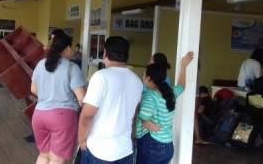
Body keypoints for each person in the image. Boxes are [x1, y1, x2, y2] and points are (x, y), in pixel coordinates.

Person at [78, 36, 143, 164]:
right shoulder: (137, 81)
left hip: (100, 150)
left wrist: (81, 139)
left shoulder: (100, 77)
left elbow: (87, 116)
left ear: (105, 53)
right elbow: (133, 116)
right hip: (125, 149)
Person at [31, 32, 86, 164]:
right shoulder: (72, 68)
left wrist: (49, 95)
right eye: (71, 47)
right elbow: (81, 98)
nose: (72, 50)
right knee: (57, 159)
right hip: (62, 117)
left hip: (39, 115)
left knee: (44, 155)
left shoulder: (41, 64)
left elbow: (33, 89)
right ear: (66, 48)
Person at [135, 52, 194, 164]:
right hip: (167, 145)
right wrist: (183, 66)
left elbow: (144, 116)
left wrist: (145, 122)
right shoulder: (171, 92)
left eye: (144, 76)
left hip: (152, 145)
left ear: (149, 79)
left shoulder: (150, 95)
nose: (143, 78)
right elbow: (181, 86)